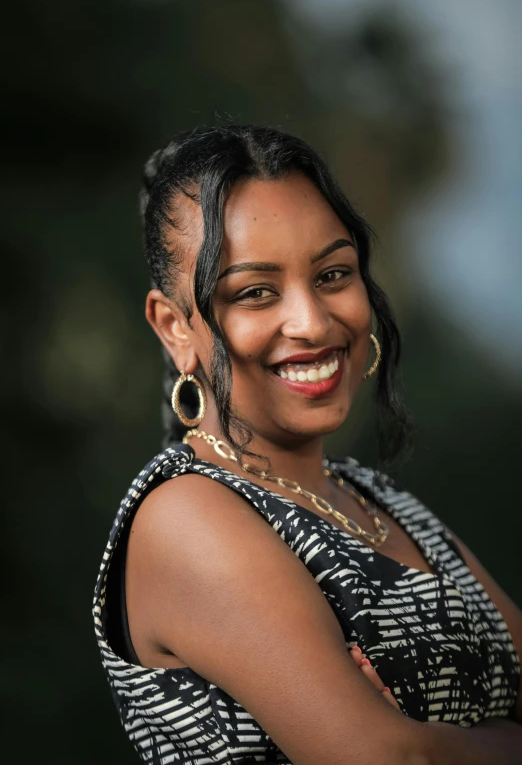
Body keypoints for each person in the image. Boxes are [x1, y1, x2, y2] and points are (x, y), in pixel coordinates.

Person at [93, 124, 521, 765]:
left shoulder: (379, 502)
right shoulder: (186, 516)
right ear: (175, 327)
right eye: (255, 292)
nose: (314, 323)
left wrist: (437, 741)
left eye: (332, 274)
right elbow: (388, 760)